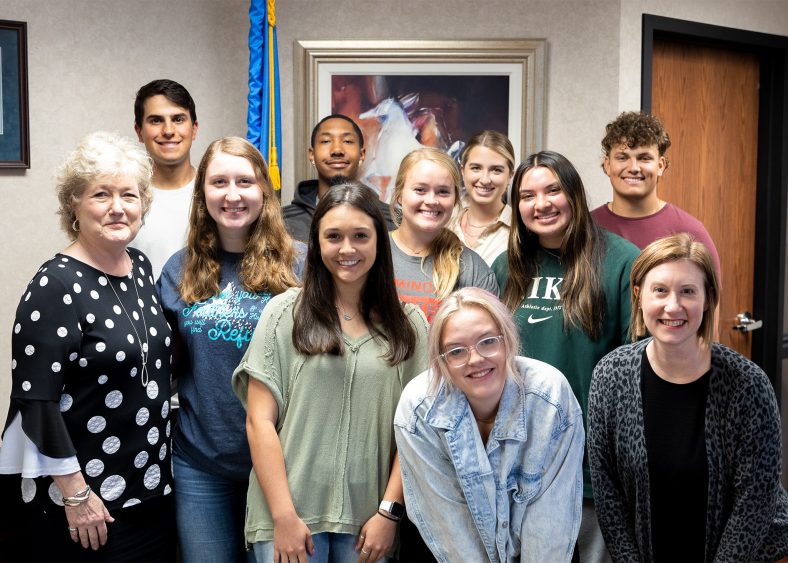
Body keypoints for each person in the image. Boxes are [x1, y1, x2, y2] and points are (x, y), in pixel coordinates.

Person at [0, 132, 175, 561]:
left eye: (129, 195)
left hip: (149, 491)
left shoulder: (141, 269)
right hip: (83, 506)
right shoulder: (55, 284)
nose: (118, 207)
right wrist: (77, 496)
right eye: (102, 194)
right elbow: (35, 401)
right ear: (74, 205)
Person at [232, 183, 428, 563]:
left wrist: (390, 512)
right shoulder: (283, 313)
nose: (347, 249)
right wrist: (283, 517)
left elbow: (415, 431)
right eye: (334, 236)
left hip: (369, 523)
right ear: (317, 243)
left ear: (379, 242)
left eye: (360, 236)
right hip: (287, 519)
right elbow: (259, 422)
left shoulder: (410, 325)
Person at [588, 233, 788, 562]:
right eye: (660, 290)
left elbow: (755, 503)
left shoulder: (748, 385)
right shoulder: (610, 376)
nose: (673, 306)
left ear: (708, 298)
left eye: (688, 292)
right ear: (638, 296)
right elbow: (608, 494)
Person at [157, 137, 306, 562]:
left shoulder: (302, 265)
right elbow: (163, 362)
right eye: (219, 182)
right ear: (203, 193)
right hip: (201, 464)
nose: (233, 194)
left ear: (264, 190)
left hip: (286, 465)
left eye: (245, 181)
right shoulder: (178, 269)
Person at [492, 150, 639, 563]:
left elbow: (635, 368)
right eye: (527, 195)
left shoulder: (621, 261)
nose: (541, 204)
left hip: (591, 463)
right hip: (520, 460)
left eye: (553, 189)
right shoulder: (506, 268)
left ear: (573, 193)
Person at [394, 287, 584, 563]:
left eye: (487, 342)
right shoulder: (419, 409)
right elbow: (450, 526)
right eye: (456, 351)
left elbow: (549, 525)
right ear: (441, 362)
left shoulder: (550, 398)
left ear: (507, 340)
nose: (475, 359)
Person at [592, 111, 721, 281]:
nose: (633, 167)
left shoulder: (690, 232)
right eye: (622, 157)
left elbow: (710, 304)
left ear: (660, 165)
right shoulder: (587, 227)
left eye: (644, 158)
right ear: (607, 165)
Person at [390, 147, 499, 322]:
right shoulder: (372, 252)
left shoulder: (471, 269)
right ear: (399, 195)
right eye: (420, 189)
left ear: (455, 199)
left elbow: (485, 341)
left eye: (443, 192)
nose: (432, 200)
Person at [282, 114, 395, 241]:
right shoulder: (282, 221)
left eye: (347, 141)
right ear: (312, 155)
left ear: (362, 154)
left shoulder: (392, 220)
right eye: (326, 141)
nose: (337, 150)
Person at [131, 78, 199, 280]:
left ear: (194, 129)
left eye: (178, 119)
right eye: (156, 120)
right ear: (139, 131)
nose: (168, 131)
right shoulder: (124, 198)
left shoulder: (217, 194)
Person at [448, 130, 515, 266]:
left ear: (510, 175)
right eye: (476, 168)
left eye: (496, 170)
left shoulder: (520, 231)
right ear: (462, 171)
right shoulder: (445, 224)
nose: (485, 180)